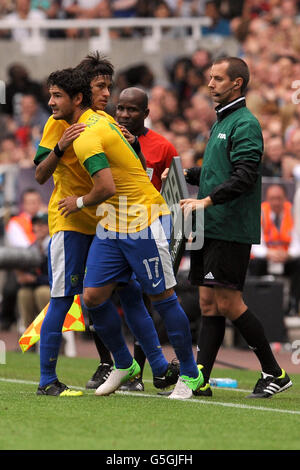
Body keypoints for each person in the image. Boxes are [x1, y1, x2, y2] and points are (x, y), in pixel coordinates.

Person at [33, 55, 179, 397]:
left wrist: (133, 145)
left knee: (129, 295)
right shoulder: (60, 123)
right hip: (71, 221)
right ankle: (47, 379)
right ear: (83, 91)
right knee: (65, 298)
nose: (106, 93)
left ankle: (155, 368)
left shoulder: (104, 121)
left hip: (106, 222)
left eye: (108, 86)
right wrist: (59, 147)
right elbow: (40, 173)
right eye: (100, 86)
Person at [178, 57, 292, 399]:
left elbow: (244, 177)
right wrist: (184, 174)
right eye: (210, 78)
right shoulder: (222, 121)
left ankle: (275, 372)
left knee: (228, 302)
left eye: (217, 78)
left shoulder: (245, 123)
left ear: (237, 83)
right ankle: (201, 379)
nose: (210, 83)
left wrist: (205, 202)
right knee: (208, 303)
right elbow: (217, 173)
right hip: (211, 225)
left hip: (229, 226)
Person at [109, 86, 178, 391]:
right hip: (110, 225)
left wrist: (173, 233)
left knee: (153, 297)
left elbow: (174, 193)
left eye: (132, 109)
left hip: (149, 228)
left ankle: (167, 369)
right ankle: (123, 368)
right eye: (120, 108)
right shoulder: (106, 137)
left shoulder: (163, 147)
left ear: (146, 114)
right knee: (117, 295)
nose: (124, 114)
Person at [249, 183, 300, 316]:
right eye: (272, 198)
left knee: (298, 264)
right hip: (266, 258)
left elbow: (297, 243)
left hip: (286, 258)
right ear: (267, 198)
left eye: (279, 198)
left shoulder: (293, 212)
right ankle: (256, 305)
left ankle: (293, 305)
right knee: (255, 264)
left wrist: (288, 254)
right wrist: (270, 254)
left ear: (285, 198)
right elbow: (255, 246)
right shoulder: (260, 213)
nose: (276, 202)